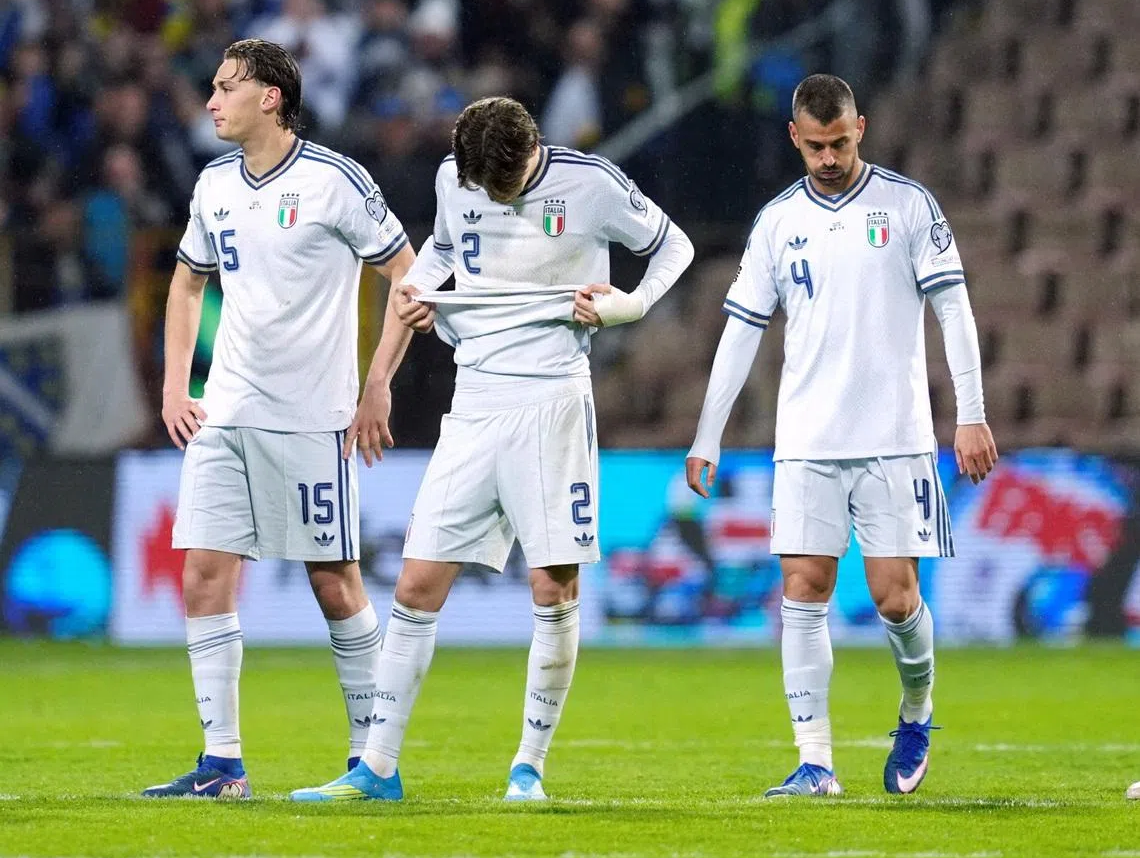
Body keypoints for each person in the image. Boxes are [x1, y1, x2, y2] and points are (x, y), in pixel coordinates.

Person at [291, 95, 694, 803]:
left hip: (552, 404)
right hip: (473, 400)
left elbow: (674, 246)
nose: (491, 195)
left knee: (553, 587)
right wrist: (410, 315)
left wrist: (627, 304)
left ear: (532, 150)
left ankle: (528, 769)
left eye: (502, 185)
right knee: (416, 586)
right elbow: (441, 256)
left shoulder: (590, 183)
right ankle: (377, 770)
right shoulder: (458, 176)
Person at [686, 74, 997, 798]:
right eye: (816, 145)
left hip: (895, 436)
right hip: (806, 438)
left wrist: (971, 412)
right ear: (795, 137)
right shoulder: (776, 223)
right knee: (803, 587)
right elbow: (740, 332)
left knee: (894, 598)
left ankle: (917, 711)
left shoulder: (908, 206)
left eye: (841, 141)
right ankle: (816, 762)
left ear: (863, 126)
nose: (829, 157)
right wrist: (708, 434)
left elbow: (956, 312)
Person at [142, 39, 416, 799]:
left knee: (335, 582)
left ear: (271, 97)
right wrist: (175, 387)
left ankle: (373, 764)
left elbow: (407, 271)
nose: (210, 102)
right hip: (224, 411)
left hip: (310, 418)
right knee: (201, 576)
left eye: (225, 87)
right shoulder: (213, 185)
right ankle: (222, 764)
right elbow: (186, 285)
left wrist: (378, 384)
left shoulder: (335, 182)